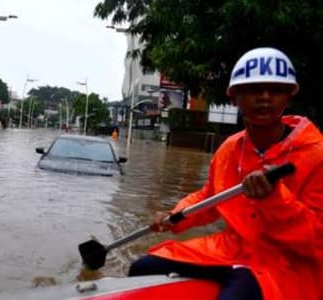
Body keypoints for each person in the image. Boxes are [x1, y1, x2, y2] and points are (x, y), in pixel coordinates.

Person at [128, 47, 323, 300]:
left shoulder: (316, 155)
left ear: (289, 96)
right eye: (254, 90)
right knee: (143, 268)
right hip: (233, 249)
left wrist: (274, 200)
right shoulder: (230, 148)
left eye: (275, 90)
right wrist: (174, 216)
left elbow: (316, 242)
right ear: (235, 97)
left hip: (286, 264)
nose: (265, 98)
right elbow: (210, 197)